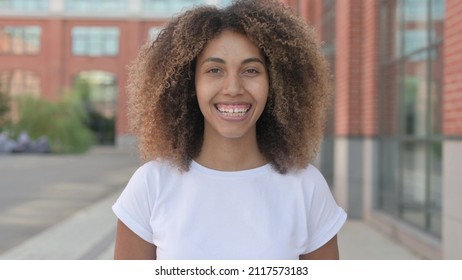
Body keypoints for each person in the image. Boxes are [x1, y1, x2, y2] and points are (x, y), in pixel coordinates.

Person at [112, 0, 347, 260]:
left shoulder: (306, 187)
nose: (233, 87)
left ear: (276, 83)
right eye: (214, 70)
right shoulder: (151, 185)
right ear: (189, 84)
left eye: (250, 70)